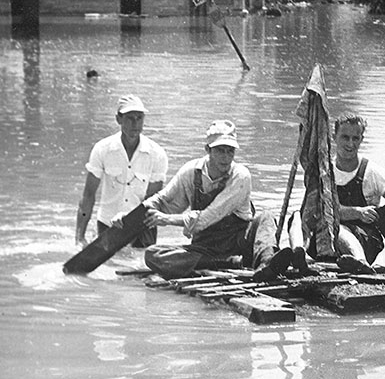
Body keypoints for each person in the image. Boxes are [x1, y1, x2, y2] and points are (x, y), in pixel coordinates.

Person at [141, 120, 299, 281]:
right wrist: (136, 214)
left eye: (230, 151)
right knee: (153, 254)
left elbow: (210, 215)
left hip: (239, 242)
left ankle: (266, 263)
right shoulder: (190, 172)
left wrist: (166, 220)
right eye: (220, 151)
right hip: (205, 247)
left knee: (266, 216)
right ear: (207, 150)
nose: (226, 157)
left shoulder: (241, 176)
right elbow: (164, 201)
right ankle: (229, 263)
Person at [75, 94, 168, 248]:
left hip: (142, 226)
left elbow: (152, 201)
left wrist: (130, 219)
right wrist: (80, 238)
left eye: (139, 118)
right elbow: (88, 195)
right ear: (118, 119)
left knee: (142, 267)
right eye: (130, 118)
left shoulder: (157, 154)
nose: (135, 124)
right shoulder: (102, 149)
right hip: (108, 224)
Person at [332, 112, 385, 274]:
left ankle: (360, 262)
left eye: (355, 138)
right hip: (330, 238)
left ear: (361, 140)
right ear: (334, 137)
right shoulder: (325, 171)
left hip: (366, 238)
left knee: (339, 229)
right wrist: (357, 212)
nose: (350, 144)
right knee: (302, 218)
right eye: (345, 137)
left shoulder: (372, 172)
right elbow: (319, 211)